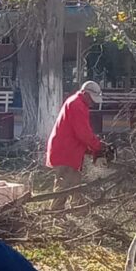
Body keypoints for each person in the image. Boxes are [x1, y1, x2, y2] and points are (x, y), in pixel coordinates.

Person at [46, 80, 106, 210]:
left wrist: (92, 148)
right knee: (64, 185)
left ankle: (77, 211)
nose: (92, 102)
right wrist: (98, 147)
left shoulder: (78, 103)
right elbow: (83, 133)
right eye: (91, 98)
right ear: (85, 93)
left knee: (75, 183)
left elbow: (82, 132)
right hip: (65, 151)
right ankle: (55, 213)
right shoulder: (76, 104)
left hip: (70, 149)